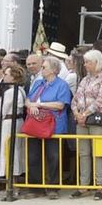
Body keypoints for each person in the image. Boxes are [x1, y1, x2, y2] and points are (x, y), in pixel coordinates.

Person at [21, 53, 72, 197]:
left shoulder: (62, 85)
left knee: (53, 156)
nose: (41, 69)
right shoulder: (38, 83)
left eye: (44, 67)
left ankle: (53, 187)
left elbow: (60, 105)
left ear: (53, 70)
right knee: (33, 156)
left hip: (54, 125)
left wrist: (40, 104)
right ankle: (35, 188)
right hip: (35, 124)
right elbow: (28, 99)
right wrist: (31, 105)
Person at [71, 49, 102, 197]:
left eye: (87, 62)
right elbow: (75, 98)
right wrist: (77, 113)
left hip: (97, 120)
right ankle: (84, 185)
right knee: (83, 153)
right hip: (82, 120)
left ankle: (99, 185)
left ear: (96, 62)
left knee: (98, 153)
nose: (85, 65)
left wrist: (84, 114)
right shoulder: (84, 80)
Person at [0, 63, 27, 197]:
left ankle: (10, 186)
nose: (4, 76)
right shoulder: (21, 90)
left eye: (7, 74)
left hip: (8, 123)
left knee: (6, 152)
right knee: (14, 152)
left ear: (13, 77)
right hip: (17, 122)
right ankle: (13, 185)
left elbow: (2, 111)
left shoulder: (11, 92)